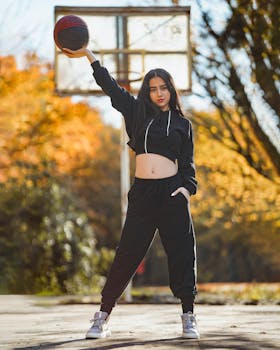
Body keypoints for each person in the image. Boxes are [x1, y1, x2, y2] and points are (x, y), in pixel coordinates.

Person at [63, 46, 199, 340]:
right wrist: (89, 56)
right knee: (126, 254)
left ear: (171, 91)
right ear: (146, 93)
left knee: (182, 254)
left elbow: (188, 165)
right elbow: (110, 86)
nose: (159, 93)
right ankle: (102, 316)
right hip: (142, 194)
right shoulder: (136, 112)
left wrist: (186, 190)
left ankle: (188, 316)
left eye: (164, 88)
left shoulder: (182, 124)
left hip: (171, 194)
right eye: (153, 89)